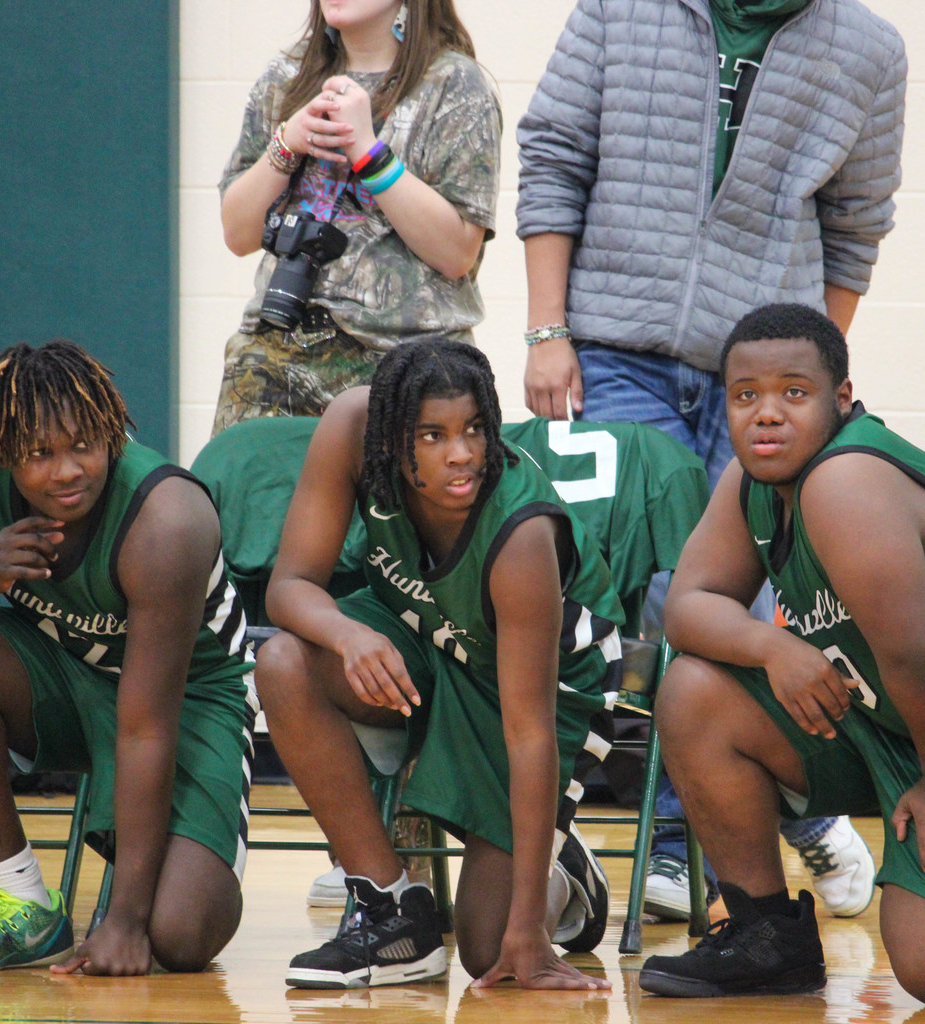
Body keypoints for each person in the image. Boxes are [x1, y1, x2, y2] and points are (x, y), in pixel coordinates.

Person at [515, 0, 905, 920]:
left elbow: (856, 226)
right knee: (649, 591)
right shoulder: (618, 8)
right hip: (614, 352)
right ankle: (763, 829)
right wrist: (546, 329)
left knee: (760, 602)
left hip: (760, 375)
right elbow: (554, 157)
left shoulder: (871, 48)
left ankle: (716, 827)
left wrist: (804, 382)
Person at [254, 339, 625, 989]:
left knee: (491, 950)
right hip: (424, 631)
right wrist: (346, 634)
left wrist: (528, 935)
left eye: (475, 429)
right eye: (432, 435)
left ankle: (558, 878)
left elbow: (529, 732)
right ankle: (392, 907)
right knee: (284, 661)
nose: (461, 454)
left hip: (545, 681)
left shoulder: (519, 534)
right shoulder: (352, 429)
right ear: (393, 441)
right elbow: (289, 587)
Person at [0, 340, 254, 975]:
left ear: (112, 432)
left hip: (191, 696)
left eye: (84, 445)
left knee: (178, 936)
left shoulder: (167, 519)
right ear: (2, 452)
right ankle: (23, 902)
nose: (68, 471)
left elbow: (147, 725)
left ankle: (133, 881)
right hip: (65, 667)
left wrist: (126, 920)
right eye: (40, 454)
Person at [639, 304, 925, 999]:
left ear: (843, 399)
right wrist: (773, 647)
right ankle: (767, 937)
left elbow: (917, 653)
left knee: (918, 969)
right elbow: (689, 608)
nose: (767, 414)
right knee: (693, 688)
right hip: (878, 729)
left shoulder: (845, 481)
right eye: (746, 397)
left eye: (793, 393)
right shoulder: (754, 483)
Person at [212, 0, 501, 429]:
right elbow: (238, 234)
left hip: (405, 359)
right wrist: (287, 143)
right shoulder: (286, 75)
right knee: (244, 488)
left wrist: (368, 152)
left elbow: (456, 253)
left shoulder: (455, 83)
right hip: (275, 354)